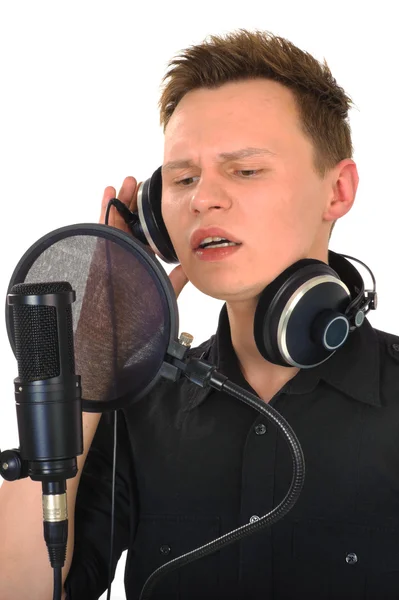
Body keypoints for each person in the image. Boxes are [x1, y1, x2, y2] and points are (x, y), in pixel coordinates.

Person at [2, 28, 399, 600]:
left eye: (245, 170)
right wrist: (91, 355)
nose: (202, 199)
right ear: (156, 221)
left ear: (336, 191)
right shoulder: (136, 410)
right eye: (183, 179)